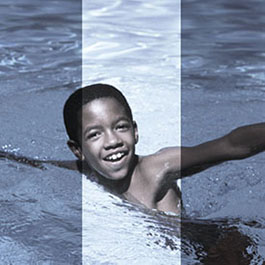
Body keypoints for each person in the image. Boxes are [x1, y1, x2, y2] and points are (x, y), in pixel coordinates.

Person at [1, 83, 265, 215]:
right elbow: (35, 163)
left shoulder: (158, 168)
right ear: (77, 150)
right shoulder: (84, 172)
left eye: (121, 127)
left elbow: (230, 145)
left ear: (135, 132)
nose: (112, 140)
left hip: (213, 249)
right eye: (95, 134)